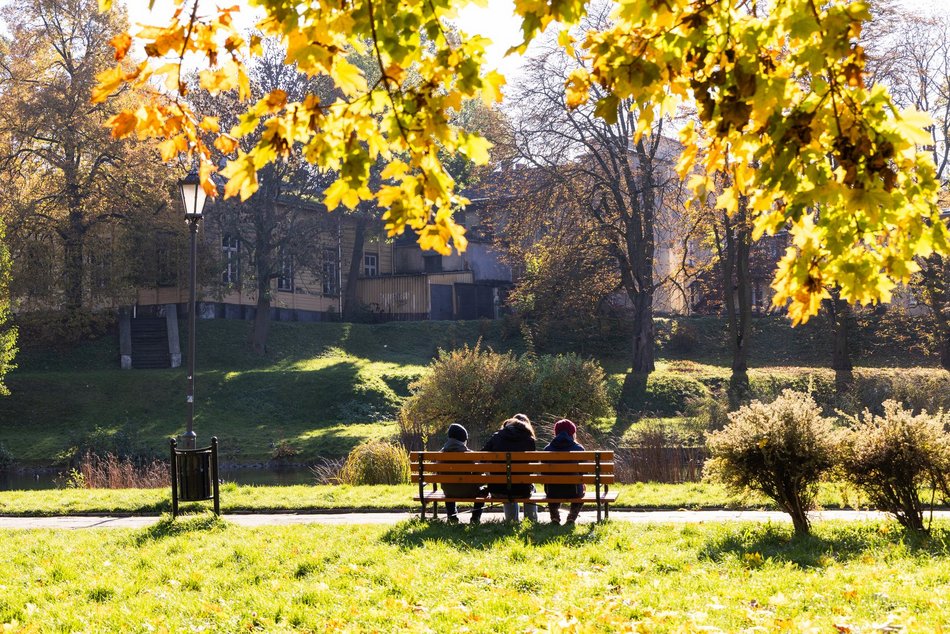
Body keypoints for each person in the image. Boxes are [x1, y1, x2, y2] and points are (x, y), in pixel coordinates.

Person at [482, 416, 538, 522]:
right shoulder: (529, 439)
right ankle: (531, 521)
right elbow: (532, 468)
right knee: (530, 486)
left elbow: (481, 458)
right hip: (522, 491)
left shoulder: (496, 437)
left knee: (506, 483)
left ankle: (511, 521)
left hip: (498, 490)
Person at [439, 424, 484, 524]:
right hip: (469, 491)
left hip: (449, 491)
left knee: (449, 488)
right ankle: (475, 519)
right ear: (463, 439)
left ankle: (452, 518)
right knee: (482, 493)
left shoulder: (440, 454)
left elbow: (436, 471)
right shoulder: (470, 455)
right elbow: (480, 471)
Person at [544, 419, 585, 525]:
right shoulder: (579, 448)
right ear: (572, 433)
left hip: (552, 492)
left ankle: (555, 516)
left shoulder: (547, 449)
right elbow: (584, 472)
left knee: (551, 484)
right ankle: (572, 516)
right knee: (582, 488)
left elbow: (543, 473)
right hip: (574, 491)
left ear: (556, 433)